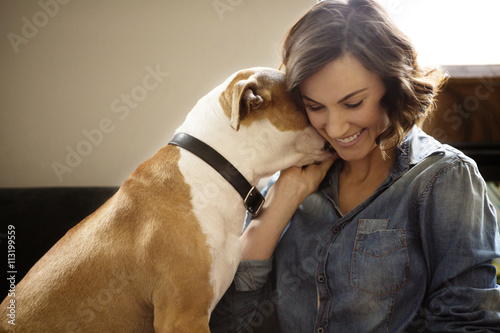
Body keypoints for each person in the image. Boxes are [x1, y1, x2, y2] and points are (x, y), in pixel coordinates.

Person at [209, 0, 500, 331]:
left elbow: (468, 323)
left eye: (352, 103)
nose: (335, 129)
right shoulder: (283, 183)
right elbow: (231, 326)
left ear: (392, 84)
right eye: (316, 107)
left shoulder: (443, 179)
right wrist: (275, 210)